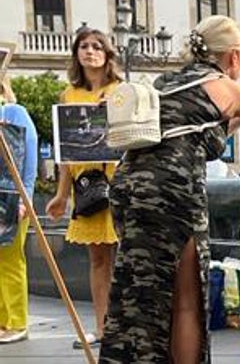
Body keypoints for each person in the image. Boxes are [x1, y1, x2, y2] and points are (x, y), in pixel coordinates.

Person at [101, 15, 240, 364]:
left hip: (128, 188)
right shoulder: (224, 85)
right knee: (186, 299)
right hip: (171, 192)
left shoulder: (165, 82)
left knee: (141, 292)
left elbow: (193, 132)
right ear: (234, 55)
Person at [45, 27, 124, 349]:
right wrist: (61, 195)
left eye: (95, 46)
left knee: (126, 260)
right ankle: (103, 327)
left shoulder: (121, 89)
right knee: (98, 260)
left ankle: (125, 326)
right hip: (87, 186)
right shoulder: (69, 95)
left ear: (107, 53)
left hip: (119, 183)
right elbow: (67, 153)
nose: (89, 51)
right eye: (83, 46)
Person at [0, 74, 38, 345]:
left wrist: (26, 197)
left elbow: (30, 154)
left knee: (10, 260)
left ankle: (17, 322)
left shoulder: (15, 112)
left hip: (10, 197)